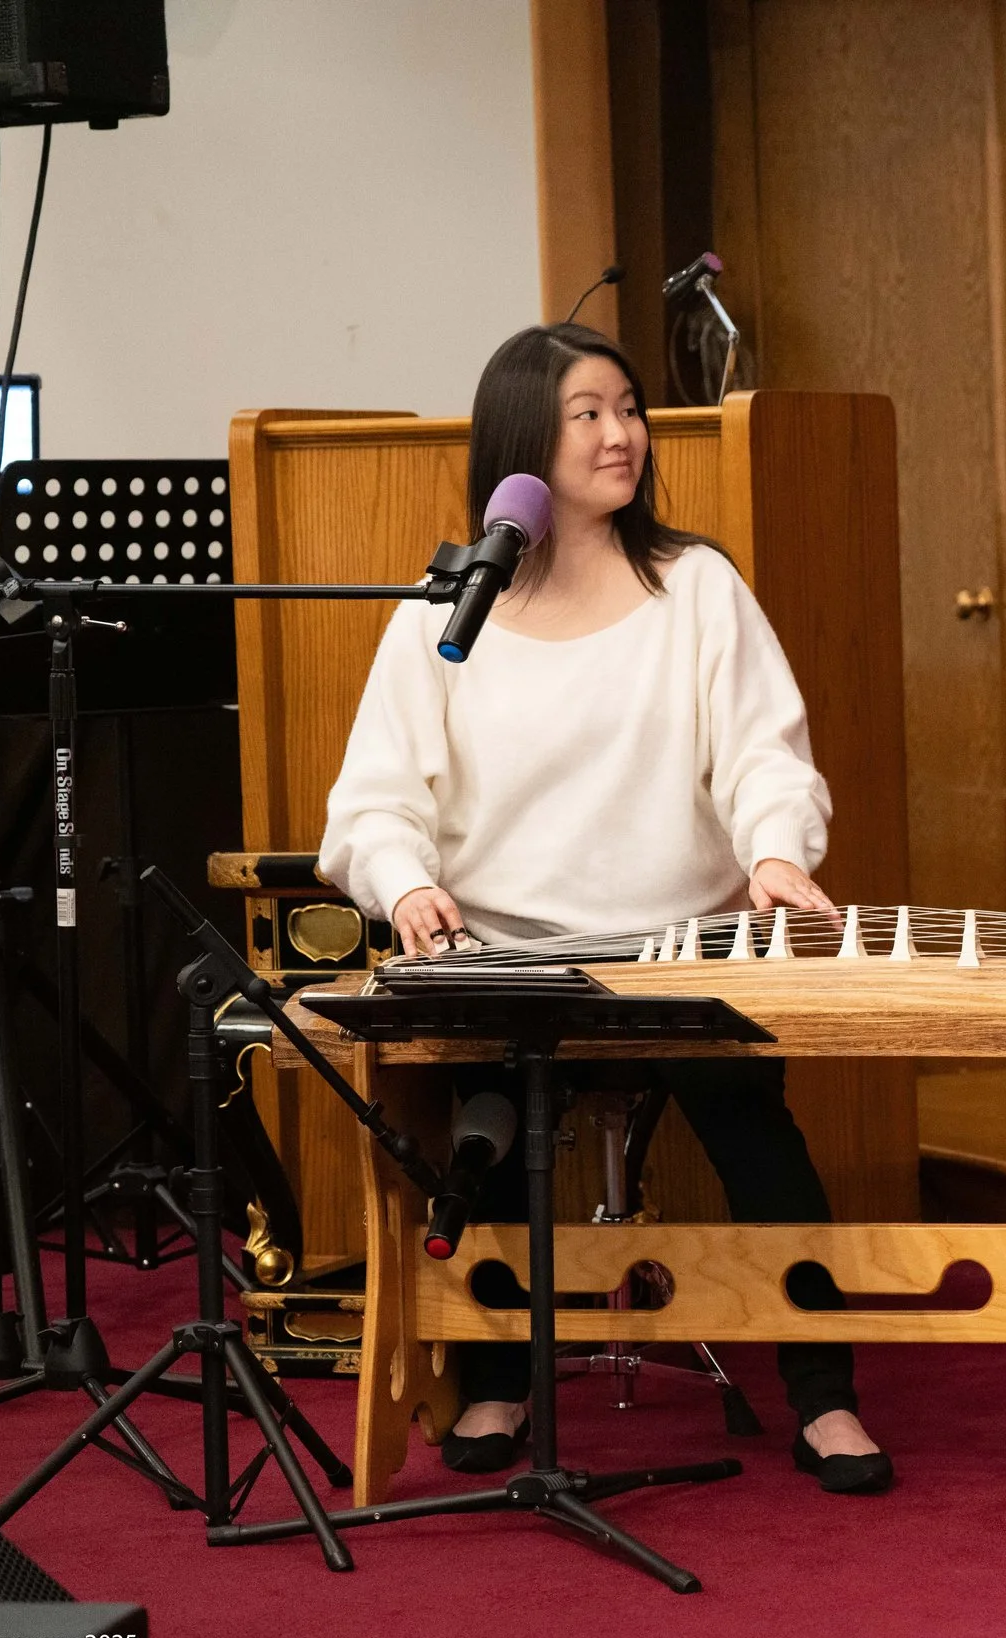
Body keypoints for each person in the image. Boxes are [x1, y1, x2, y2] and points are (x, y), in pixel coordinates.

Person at [318, 321, 892, 1493]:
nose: (620, 434)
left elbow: (764, 756)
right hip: (511, 952)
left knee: (757, 1138)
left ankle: (825, 1398)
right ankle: (497, 1380)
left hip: (687, 942)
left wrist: (773, 851)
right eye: (587, 414)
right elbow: (374, 800)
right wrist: (407, 882)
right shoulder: (448, 610)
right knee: (489, 1138)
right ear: (523, 442)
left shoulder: (695, 587)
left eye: (627, 408)